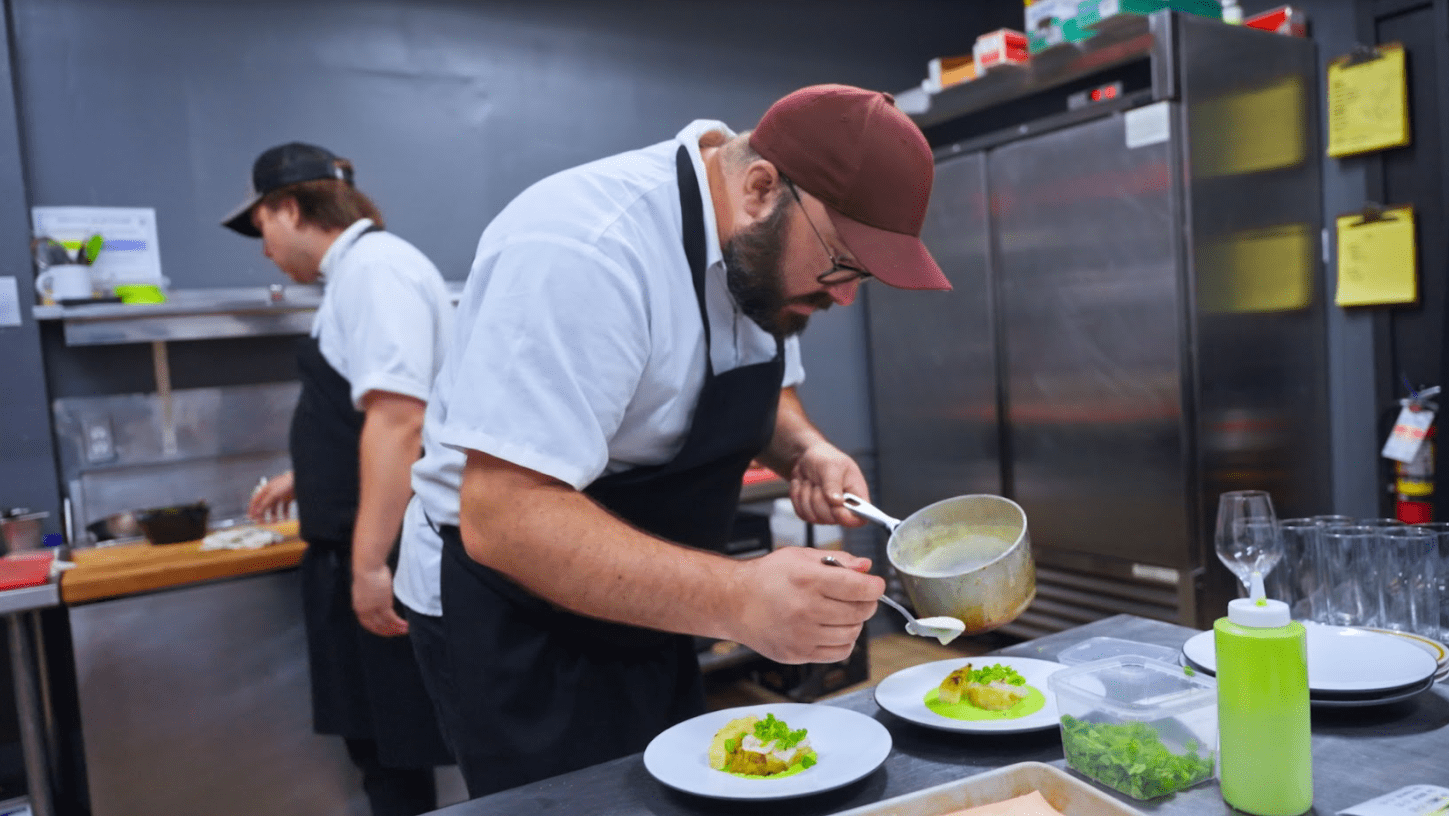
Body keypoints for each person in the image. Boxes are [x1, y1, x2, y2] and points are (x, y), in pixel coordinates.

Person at [395, 84, 952, 797]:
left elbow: (764, 386)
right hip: (515, 616)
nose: (843, 296)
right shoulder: (585, 249)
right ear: (761, 189)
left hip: (649, 604)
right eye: (842, 262)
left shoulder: (760, 258)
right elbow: (503, 515)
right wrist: (740, 598)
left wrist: (804, 448)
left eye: (861, 277)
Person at [225, 142, 455, 816]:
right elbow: (365, 414)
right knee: (381, 750)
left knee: (395, 757)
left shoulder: (374, 272)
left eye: (263, 228)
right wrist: (306, 473)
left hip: (386, 550)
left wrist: (368, 567)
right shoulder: (358, 274)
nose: (266, 251)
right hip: (365, 543)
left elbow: (400, 421)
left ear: (290, 209)